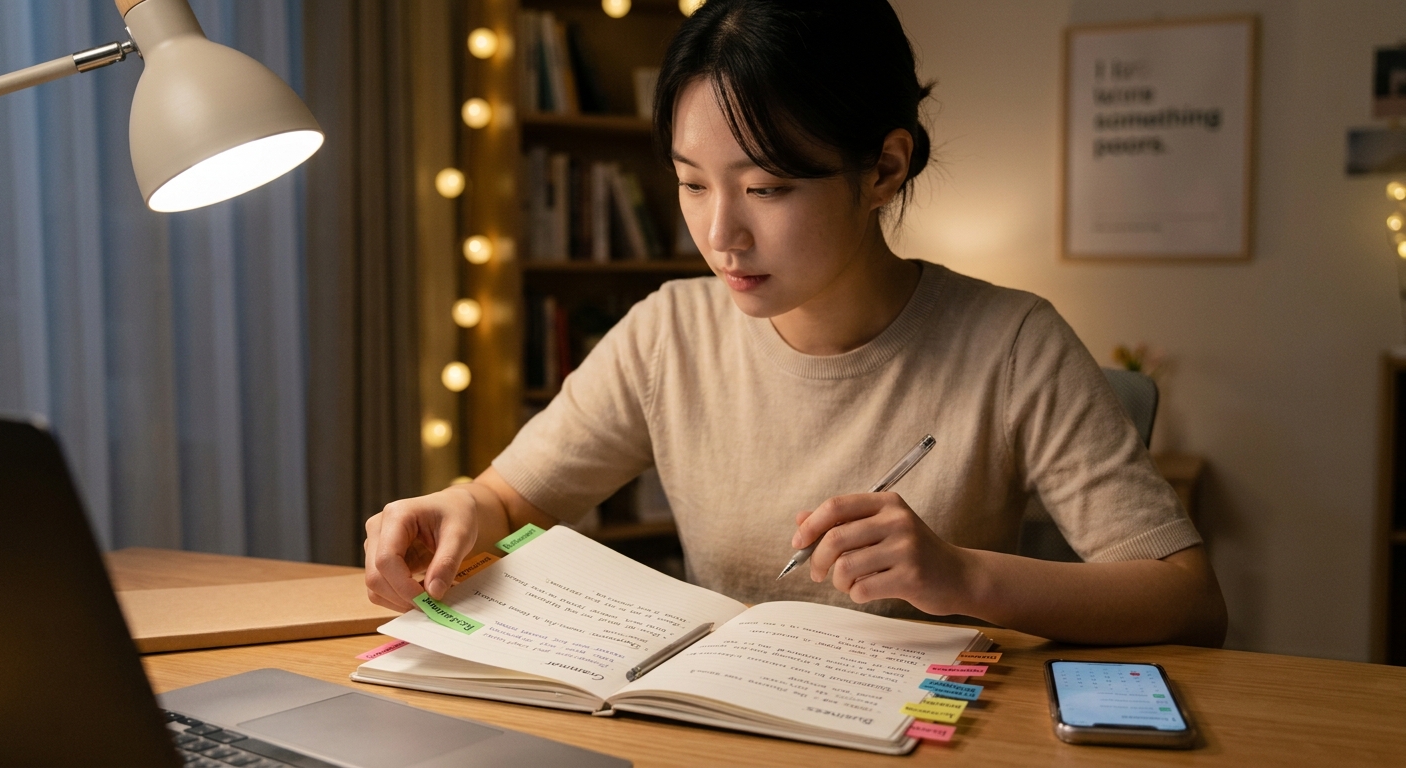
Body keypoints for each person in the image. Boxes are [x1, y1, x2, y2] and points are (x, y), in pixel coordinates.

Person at [364, 0, 1228, 647]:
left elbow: (1188, 600)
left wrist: (962, 576)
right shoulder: (669, 333)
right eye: (692, 183)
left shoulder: (1011, 344)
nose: (720, 234)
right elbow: (508, 500)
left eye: (766, 188)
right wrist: (455, 507)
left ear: (884, 168)